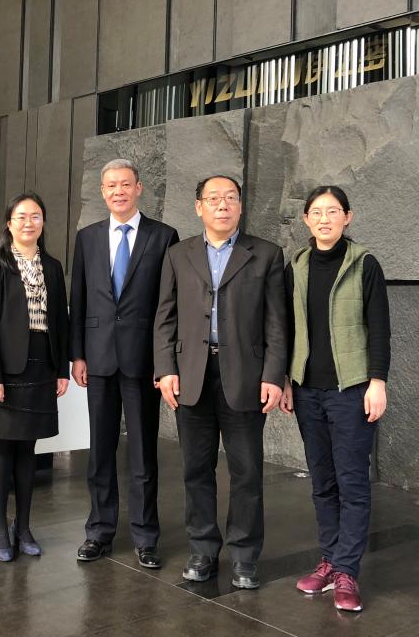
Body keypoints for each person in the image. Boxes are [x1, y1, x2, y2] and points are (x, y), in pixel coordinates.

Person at [154, 175, 287, 590]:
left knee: (247, 471)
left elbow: (277, 323)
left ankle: (244, 555)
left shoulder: (266, 254)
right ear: (199, 207)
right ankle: (202, 549)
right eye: (214, 198)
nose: (222, 205)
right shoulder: (178, 254)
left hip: (245, 377)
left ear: (241, 206)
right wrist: (165, 369)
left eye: (230, 198)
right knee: (196, 468)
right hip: (191, 375)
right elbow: (165, 317)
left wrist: (273, 375)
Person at [279, 185, 390, 613]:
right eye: (317, 212)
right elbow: (289, 329)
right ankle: (328, 560)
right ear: (306, 219)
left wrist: (377, 382)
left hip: (352, 390)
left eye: (333, 211)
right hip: (308, 390)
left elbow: (379, 328)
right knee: (322, 481)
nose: (324, 219)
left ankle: (347, 571)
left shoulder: (364, 264)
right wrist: (289, 380)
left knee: (352, 482)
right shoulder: (297, 266)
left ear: (348, 217)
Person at [69, 158, 178, 568]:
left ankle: (146, 536)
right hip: (97, 358)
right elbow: (78, 299)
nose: (119, 191)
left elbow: (169, 304)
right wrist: (77, 354)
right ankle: (98, 531)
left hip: (143, 361)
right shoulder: (87, 238)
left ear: (139, 188)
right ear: (103, 191)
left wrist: (165, 362)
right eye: (111, 185)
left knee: (144, 454)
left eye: (126, 184)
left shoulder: (163, 236)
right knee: (100, 451)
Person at [0, 192, 69, 562]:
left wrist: (61, 369)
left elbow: (61, 321)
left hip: (41, 367)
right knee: (3, 448)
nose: (29, 223)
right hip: (5, 371)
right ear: (9, 223)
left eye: (36, 216)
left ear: (43, 222)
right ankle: (0, 528)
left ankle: (24, 526)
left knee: (29, 449)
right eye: (21, 216)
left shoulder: (53, 267)